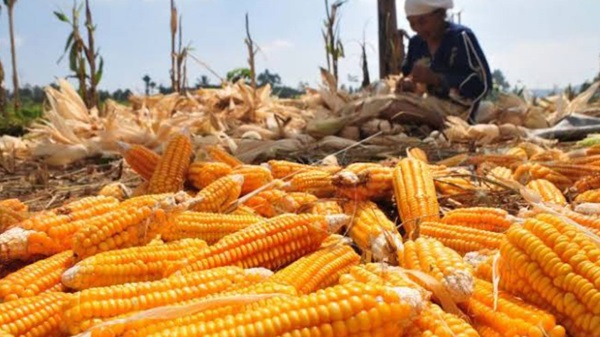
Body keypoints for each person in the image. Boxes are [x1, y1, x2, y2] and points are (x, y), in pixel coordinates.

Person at [396, 0, 492, 124]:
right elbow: (408, 75)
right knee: (387, 105)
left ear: (440, 14)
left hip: (461, 114)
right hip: (425, 107)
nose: (418, 29)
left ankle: (442, 123)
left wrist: (437, 79)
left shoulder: (460, 37)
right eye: (412, 24)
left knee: (393, 108)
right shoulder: (416, 44)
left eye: (422, 22)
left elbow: (484, 84)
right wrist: (407, 84)